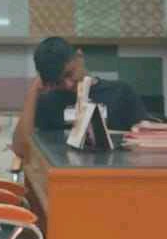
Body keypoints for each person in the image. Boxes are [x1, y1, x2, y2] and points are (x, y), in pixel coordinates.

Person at [12, 37, 150, 160]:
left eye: (69, 74)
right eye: (58, 81)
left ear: (79, 57)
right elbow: (21, 150)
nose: (68, 84)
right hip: (61, 175)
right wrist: (34, 89)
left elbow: (148, 145)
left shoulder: (121, 92)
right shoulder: (47, 101)